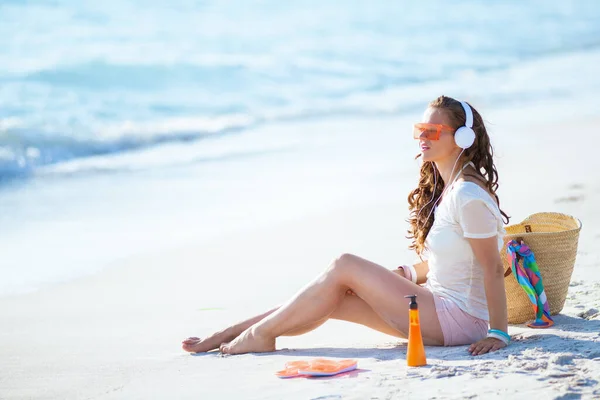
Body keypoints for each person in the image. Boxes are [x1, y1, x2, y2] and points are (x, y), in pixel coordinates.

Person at [182, 95, 511, 356]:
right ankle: (235, 333)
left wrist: (498, 334)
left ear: (463, 138)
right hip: (438, 309)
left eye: (432, 132)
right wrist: (407, 274)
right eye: (419, 130)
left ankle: (258, 334)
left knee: (344, 265)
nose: (422, 138)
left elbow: (492, 268)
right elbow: (455, 259)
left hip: (459, 319)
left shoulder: (467, 195)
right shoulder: (452, 190)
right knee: (330, 296)